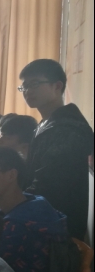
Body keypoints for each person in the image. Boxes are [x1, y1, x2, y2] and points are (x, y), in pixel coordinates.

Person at [19, 59, 94, 239]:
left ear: (57, 86)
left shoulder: (68, 129)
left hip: (57, 229)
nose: (27, 91)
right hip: (42, 218)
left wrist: (12, 202)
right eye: (24, 86)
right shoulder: (46, 124)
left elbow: (49, 185)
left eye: (34, 84)